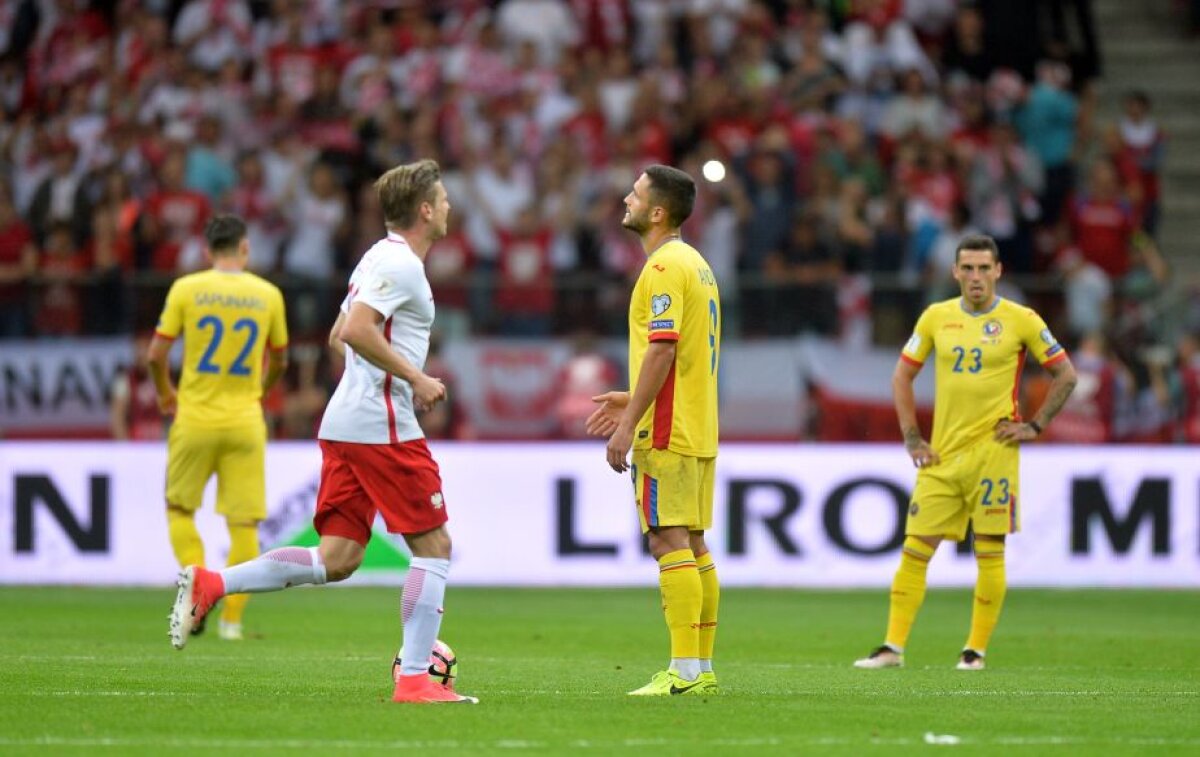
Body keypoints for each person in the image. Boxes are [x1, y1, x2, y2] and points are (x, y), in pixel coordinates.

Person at [167, 159, 478, 705]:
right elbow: (354, 331)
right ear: (425, 210)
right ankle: (413, 680)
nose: (450, 205)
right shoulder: (401, 263)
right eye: (444, 198)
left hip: (347, 421)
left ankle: (213, 583)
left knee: (338, 557)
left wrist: (377, 371)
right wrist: (414, 376)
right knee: (434, 545)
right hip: (382, 425)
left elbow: (338, 333)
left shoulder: (375, 259)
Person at [855, 234, 1077, 671]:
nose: (976, 277)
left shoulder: (1022, 319)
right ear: (955, 272)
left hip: (994, 453)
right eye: (968, 269)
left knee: (989, 550)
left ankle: (974, 651)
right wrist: (912, 438)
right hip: (941, 456)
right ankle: (892, 648)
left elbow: (1065, 375)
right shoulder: (936, 317)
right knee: (915, 550)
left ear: (998, 271)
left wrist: (1035, 425)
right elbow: (902, 378)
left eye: (983, 268)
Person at [586, 165, 722, 696]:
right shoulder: (697, 265)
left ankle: (684, 671)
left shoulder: (663, 267)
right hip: (698, 421)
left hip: (667, 429)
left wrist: (630, 421)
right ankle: (701, 668)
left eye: (636, 194)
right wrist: (631, 396)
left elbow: (663, 348)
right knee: (692, 541)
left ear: (657, 212)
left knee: (668, 539)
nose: (626, 198)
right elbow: (679, 353)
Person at [148, 214, 289, 642]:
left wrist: (165, 394)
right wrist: (259, 391)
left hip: (193, 417)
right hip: (245, 420)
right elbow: (280, 359)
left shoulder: (187, 289)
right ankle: (232, 622)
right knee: (243, 525)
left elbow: (156, 355)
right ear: (245, 248)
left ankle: (198, 587)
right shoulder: (268, 294)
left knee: (179, 510)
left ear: (207, 252)